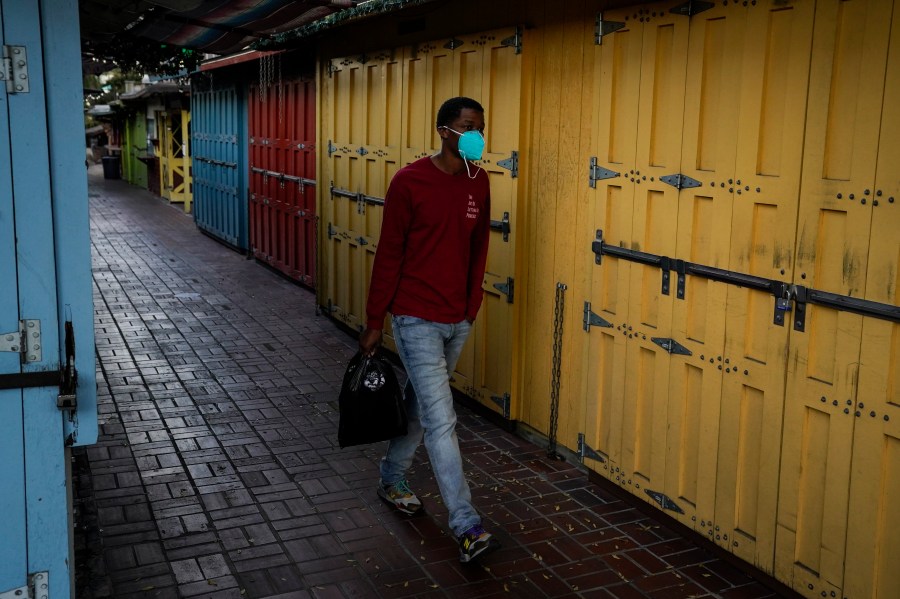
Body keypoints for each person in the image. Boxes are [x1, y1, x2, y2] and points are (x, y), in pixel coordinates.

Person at [358, 96, 494, 563]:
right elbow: (389, 252)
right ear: (443, 131)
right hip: (415, 316)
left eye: (480, 126)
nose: (476, 134)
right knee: (442, 420)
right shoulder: (409, 181)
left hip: (458, 318)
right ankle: (466, 523)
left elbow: (479, 249)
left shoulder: (480, 182)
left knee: (419, 405)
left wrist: (471, 307)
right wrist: (376, 320)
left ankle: (391, 479)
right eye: (467, 126)